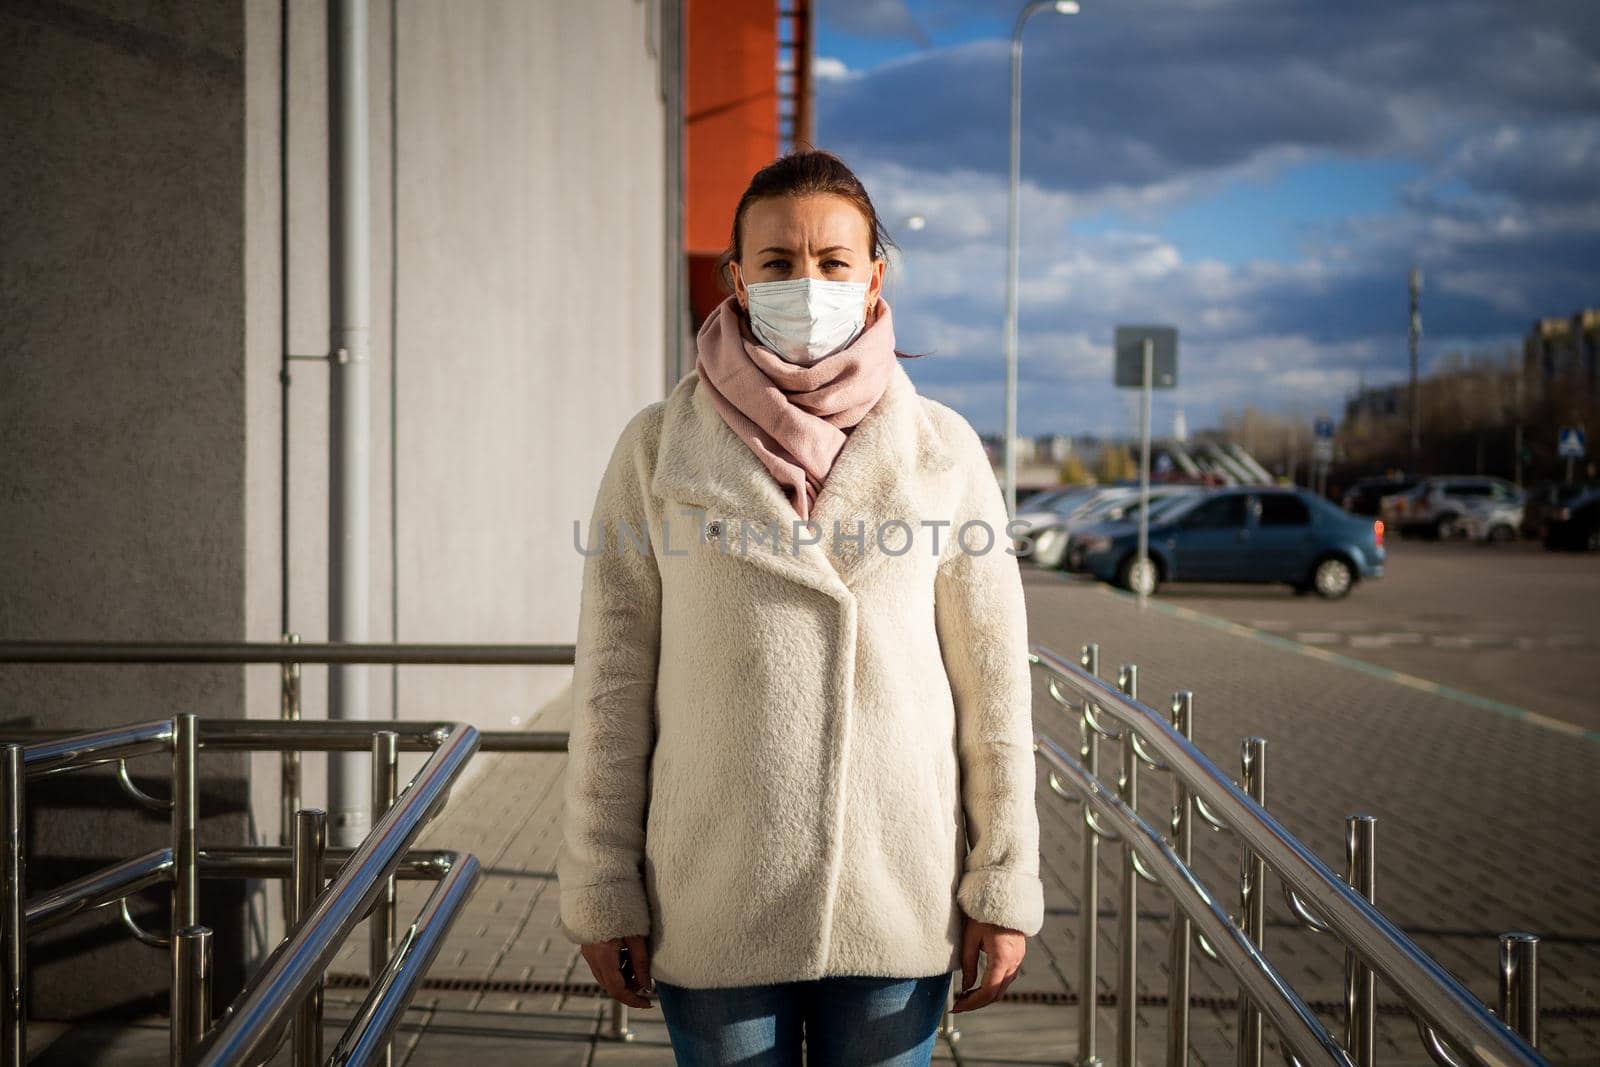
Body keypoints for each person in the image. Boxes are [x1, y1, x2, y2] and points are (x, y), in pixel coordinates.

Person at [556, 149, 1043, 1066]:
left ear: (873, 278)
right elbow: (613, 687)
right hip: (713, 896)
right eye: (778, 263)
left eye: (833, 262)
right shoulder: (659, 449)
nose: (807, 283)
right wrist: (602, 886)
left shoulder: (943, 450)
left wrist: (1002, 883)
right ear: (736, 279)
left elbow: (995, 689)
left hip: (897, 898)